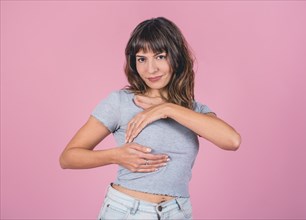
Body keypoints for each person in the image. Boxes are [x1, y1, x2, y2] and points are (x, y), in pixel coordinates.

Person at [60, 17, 241, 220]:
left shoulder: (192, 110)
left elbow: (232, 141)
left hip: (178, 212)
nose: (151, 69)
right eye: (142, 59)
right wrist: (114, 156)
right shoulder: (122, 102)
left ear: (176, 58)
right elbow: (68, 158)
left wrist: (166, 109)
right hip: (127, 211)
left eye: (160, 57)